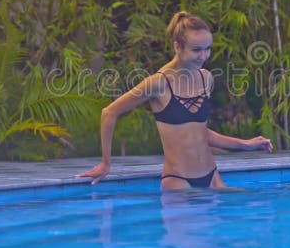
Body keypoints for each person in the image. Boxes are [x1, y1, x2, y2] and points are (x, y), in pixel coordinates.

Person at [77, 11, 272, 190]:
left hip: (212, 177)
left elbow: (199, 132)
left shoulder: (206, 78)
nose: (203, 56)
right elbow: (109, 113)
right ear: (177, 46)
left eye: (207, 49)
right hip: (179, 181)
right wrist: (105, 163)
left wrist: (245, 144)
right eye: (196, 50)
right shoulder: (158, 83)